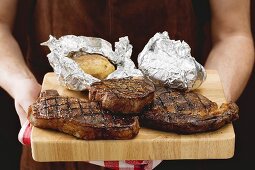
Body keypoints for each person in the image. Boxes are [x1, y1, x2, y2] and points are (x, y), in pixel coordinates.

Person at [0, 0, 254, 170]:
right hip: (58, 154)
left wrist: (205, 114)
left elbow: (234, 34)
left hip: (179, 153)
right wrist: (21, 83)